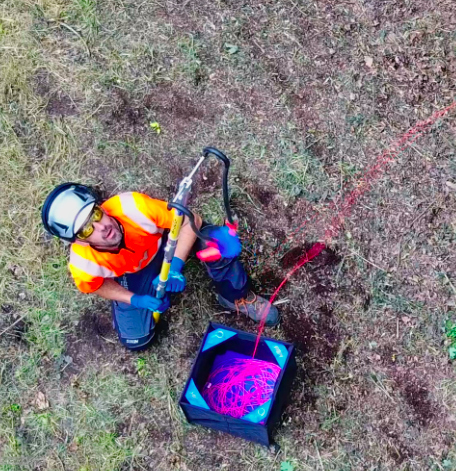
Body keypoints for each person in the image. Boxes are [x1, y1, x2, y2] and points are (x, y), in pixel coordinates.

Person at [41, 183, 280, 350]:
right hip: (133, 272)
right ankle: (138, 302)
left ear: (100, 207)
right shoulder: (84, 264)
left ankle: (236, 296)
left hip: (164, 244)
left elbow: (190, 219)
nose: (101, 227)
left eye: (95, 215)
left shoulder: (133, 207)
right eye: (86, 229)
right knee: (138, 340)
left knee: (215, 242)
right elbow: (97, 286)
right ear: (79, 240)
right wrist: (135, 299)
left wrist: (174, 264)